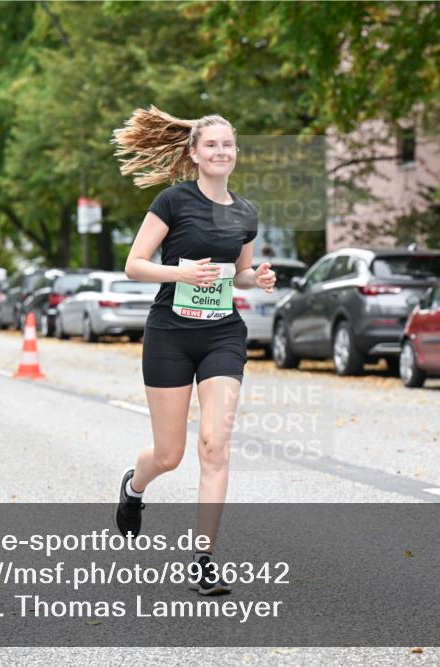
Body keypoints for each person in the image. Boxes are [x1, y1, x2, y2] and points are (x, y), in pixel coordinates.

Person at [111, 107, 276, 595]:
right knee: (169, 454)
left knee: (215, 445)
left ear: (235, 154)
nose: (220, 152)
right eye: (211, 145)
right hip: (170, 334)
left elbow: (239, 272)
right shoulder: (172, 201)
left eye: (228, 145)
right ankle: (133, 487)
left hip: (222, 332)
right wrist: (179, 273)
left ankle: (203, 559)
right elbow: (134, 265)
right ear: (194, 154)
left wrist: (257, 278)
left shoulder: (246, 212)